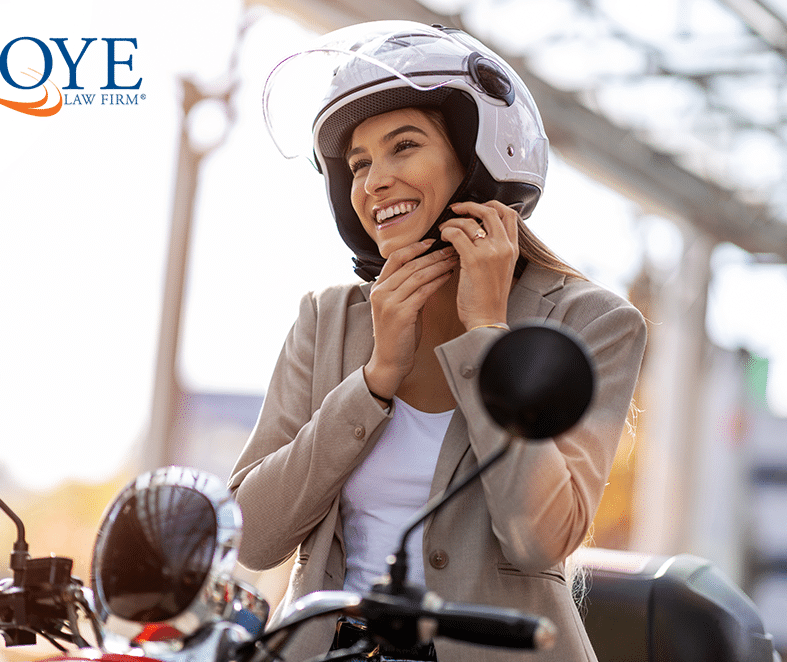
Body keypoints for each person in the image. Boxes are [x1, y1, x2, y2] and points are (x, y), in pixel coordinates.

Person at [228, 21, 647, 662]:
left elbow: (540, 539)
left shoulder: (593, 323)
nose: (373, 182)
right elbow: (251, 538)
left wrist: (486, 336)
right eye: (360, 163)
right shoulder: (325, 319)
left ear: (478, 156)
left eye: (404, 147)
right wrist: (374, 378)